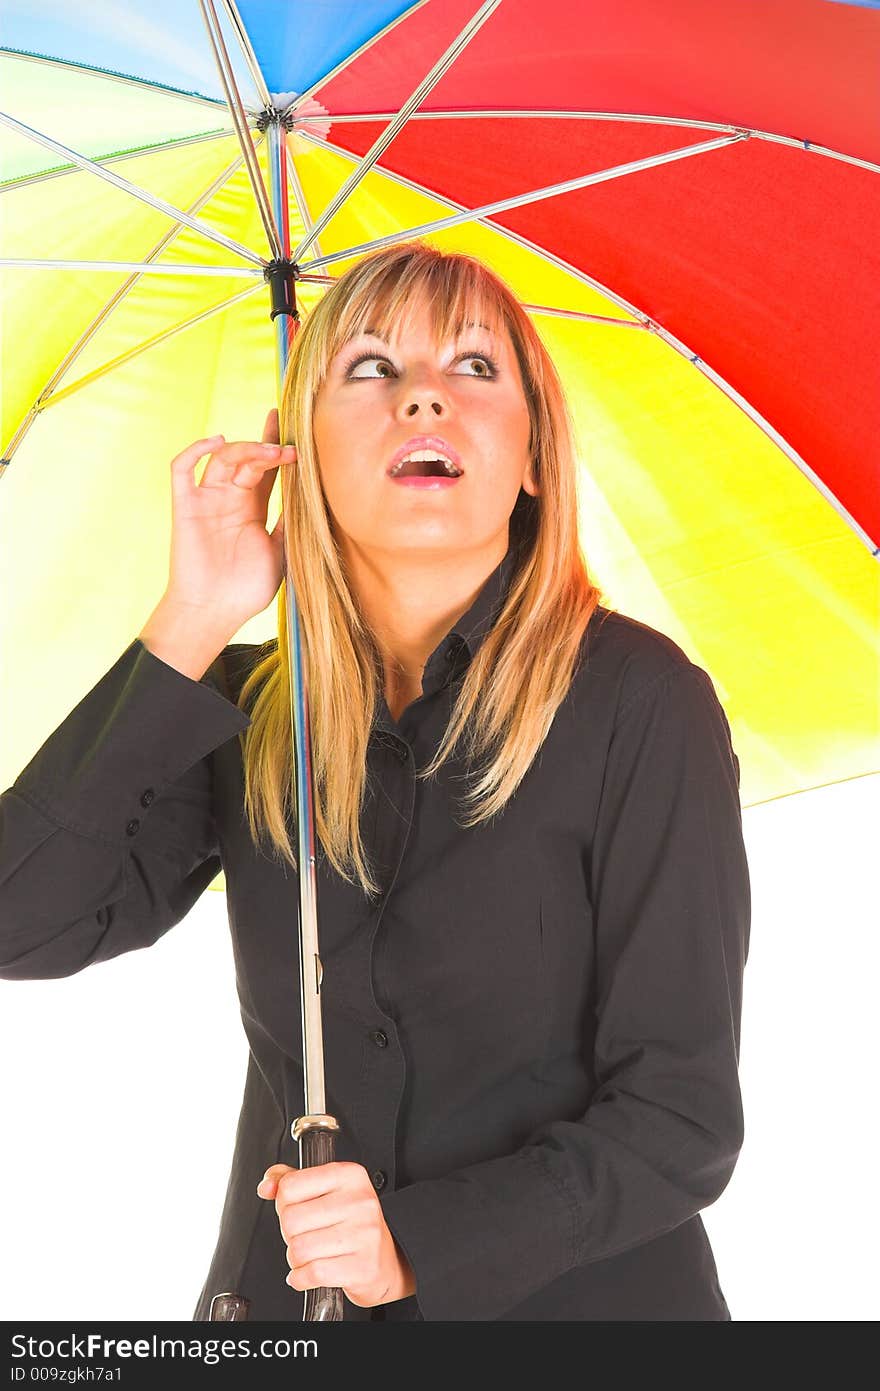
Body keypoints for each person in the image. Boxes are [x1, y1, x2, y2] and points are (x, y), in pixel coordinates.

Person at [0, 240, 749, 1321]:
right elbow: (22, 921)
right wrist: (194, 619)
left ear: (534, 453)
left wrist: (414, 1245)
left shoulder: (640, 702)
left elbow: (680, 1118)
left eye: (473, 368)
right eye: (369, 369)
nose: (423, 401)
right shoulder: (254, 714)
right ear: (296, 450)